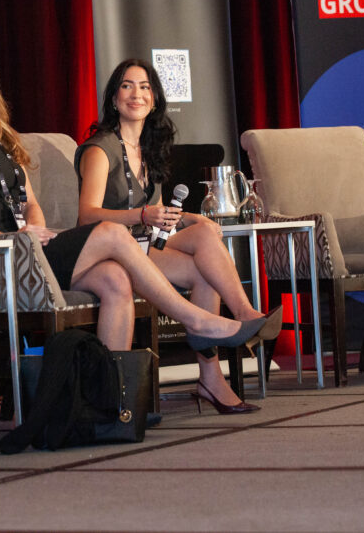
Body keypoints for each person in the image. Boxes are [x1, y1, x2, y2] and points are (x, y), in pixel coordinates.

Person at [0, 31, 273, 361]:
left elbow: (30, 203)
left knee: (114, 278)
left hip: (28, 250)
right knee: (110, 232)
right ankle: (196, 321)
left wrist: (35, 233)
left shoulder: (1, 134)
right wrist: (12, 239)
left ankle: (113, 403)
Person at [75, 58, 282, 413]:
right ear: (113, 98)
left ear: (154, 99)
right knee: (203, 259)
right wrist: (142, 214)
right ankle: (232, 334)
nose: (136, 94)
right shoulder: (100, 148)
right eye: (127, 86)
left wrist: (187, 218)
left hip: (143, 244)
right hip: (108, 250)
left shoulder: (147, 150)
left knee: (204, 240)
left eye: (144, 87)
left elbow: (154, 212)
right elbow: (87, 215)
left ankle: (226, 350)